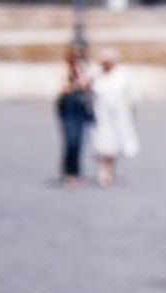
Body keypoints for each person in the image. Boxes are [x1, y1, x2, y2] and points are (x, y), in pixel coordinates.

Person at [90, 48, 140, 189]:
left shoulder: (123, 75)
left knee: (114, 146)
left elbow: (132, 97)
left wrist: (131, 113)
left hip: (119, 117)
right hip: (101, 116)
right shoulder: (95, 74)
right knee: (102, 144)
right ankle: (104, 170)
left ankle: (109, 169)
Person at [56, 47, 93, 189]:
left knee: (78, 141)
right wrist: (74, 83)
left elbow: (87, 86)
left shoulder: (83, 70)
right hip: (67, 107)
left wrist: (83, 80)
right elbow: (62, 88)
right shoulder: (63, 70)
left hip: (80, 108)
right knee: (70, 140)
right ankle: (68, 171)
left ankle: (75, 171)